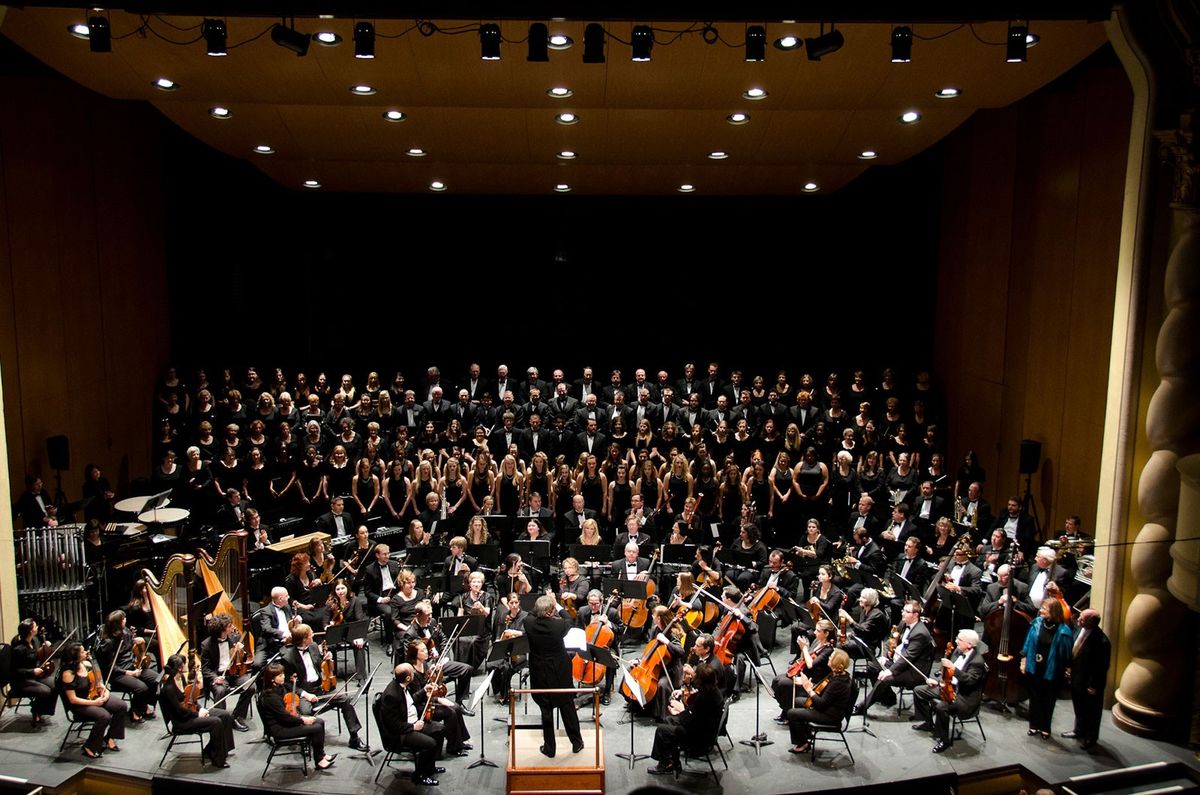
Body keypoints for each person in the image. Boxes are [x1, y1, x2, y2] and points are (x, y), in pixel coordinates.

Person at [281, 623, 369, 751]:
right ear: (304, 639)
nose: (313, 635)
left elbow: (319, 664)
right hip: (305, 692)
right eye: (310, 634)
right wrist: (305, 694)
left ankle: (354, 738)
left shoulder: (313, 646)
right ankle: (309, 744)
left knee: (345, 700)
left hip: (321, 688)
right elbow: (288, 684)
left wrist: (326, 658)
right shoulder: (288, 658)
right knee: (305, 712)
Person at [524, 594, 585, 758]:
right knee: (567, 706)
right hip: (559, 671)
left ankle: (549, 748)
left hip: (539, 671)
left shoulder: (528, 623)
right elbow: (569, 618)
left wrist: (544, 603)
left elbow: (531, 613)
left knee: (546, 710)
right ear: (550, 612)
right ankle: (576, 742)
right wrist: (556, 603)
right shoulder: (559, 625)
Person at [912, 629, 989, 753]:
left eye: (960, 640)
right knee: (919, 691)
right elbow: (948, 674)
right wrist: (939, 682)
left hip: (965, 697)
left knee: (942, 707)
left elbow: (969, 681)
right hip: (949, 688)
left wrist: (953, 669)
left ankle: (944, 740)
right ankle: (928, 722)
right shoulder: (958, 651)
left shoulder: (977, 662)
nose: (956, 641)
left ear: (969, 644)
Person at [646, 663, 725, 775]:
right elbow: (696, 714)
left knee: (661, 730)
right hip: (704, 729)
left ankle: (665, 765)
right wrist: (681, 712)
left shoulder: (705, 698)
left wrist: (681, 711)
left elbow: (692, 722)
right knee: (669, 720)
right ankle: (672, 760)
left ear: (701, 681)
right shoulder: (713, 691)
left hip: (700, 739)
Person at [159, 653, 236, 767]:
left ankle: (212, 750)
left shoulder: (181, 679)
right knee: (216, 722)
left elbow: (190, 699)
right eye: (185, 664)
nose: (187, 665)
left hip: (190, 712)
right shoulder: (169, 688)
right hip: (182, 721)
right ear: (180, 668)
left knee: (225, 715)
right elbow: (179, 711)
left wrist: (200, 708)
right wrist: (198, 714)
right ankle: (217, 759)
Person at [858, 599, 934, 713]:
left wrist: (890, 671)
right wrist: (885, 656)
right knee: (872, 666)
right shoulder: (904, 623)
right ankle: (888, 697)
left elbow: (908, 657)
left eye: (907, 612)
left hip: (912, 671)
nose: (903, 613)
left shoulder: (920, 633)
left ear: (915, 615)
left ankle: (862, 707)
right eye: (903, 610)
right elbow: (890, 639)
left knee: (884, 678)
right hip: (899, 661)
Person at [258, 662, 337, 771]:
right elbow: (284, 718)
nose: (283, 676)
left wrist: (296, 683)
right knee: (317, 728)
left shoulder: (281, 687)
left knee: (320, 721)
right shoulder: (270, 697)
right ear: (272, 679)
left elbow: (290, 689)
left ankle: (321, 754)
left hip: (286, 722)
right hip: (280, 729)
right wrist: (303, 720)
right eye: (280, 675)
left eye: (283, 674)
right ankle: (319, 761)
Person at [379, 663, 445, 787]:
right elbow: (393, 725)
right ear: (408, 678)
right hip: (401, 733)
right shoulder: (391, 695)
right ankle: (419, 776)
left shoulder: (402, 685)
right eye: (412, 672)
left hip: (412, 722)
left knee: (439, 729)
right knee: (430, 743)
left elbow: (410, 701)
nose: (414, 674)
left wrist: (424, 690)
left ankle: (429, 768)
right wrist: (413, 727)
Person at [58, 641, 127, 759]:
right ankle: (90, 746)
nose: (86, 652)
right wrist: (94, 703)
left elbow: (98, 683)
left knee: (121, 706)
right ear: (75, 656)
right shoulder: (68, 674)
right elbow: (73, 699)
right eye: (82, 652)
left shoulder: (86, 664)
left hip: (93, 696)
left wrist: (106, 693)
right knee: (104, 716)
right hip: (80, 704)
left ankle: (110, 737)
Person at [406, 638, 472, 756]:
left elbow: (433, 684)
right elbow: (414, 698)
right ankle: (453, 747)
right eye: (423, 650)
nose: (427, 652)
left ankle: (460, 741)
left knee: (456, 707)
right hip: (421, 707)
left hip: (429, 700)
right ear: (415, 654)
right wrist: (438, 699)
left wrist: (436, 673)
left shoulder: (424, 665)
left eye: (425, 649)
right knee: (450, 713)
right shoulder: (412, 673)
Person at [1020, 598, 1074, 739]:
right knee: (1034, 699)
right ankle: (1033, 726)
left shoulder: (1064, 631)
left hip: (1052, 671)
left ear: (1054, 612)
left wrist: (1066, 669)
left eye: (1045, 609)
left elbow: (1066, 654)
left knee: (1048, 701)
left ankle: (1045, 728)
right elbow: (1027, 643)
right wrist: (1024, 660)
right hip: (1034, 667)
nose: (1041, 610)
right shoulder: (1036, 623)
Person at [785, 648, 854, 756]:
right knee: (797, 701)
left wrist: (808, 689)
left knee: (792, 713)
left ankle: (803, 744)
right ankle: (806, 735)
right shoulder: (838, 674)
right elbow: (825, 692)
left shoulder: (838, 682)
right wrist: (810, 686)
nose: (829, 657)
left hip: (830, 715)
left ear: (836, 663)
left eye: (831, 657)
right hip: (828, 707)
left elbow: (821, 704)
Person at [95, 610, 159, 722]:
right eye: (123, 618)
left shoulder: (126, 631)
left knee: (156, 679)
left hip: (132, 665)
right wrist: (129, 673)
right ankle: (135, 711)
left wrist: (138, 640)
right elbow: (110, 667)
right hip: (118, 673)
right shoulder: (108, 642)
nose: (125, 619)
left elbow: (129, 645)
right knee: (141, 688)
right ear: (118, 623)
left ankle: (143, 705)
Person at [1063, 608, 1111, 750]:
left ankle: (1090, 738)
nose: (1078, 619)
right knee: (1079, 706)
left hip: (1090, 683)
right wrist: (1069, 668)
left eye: (1082, 618)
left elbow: (1102, 667)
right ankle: (1078, 730)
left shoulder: (1102, 641)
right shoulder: (1079, 629)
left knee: (1092, 711)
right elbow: (1074, 651)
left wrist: (1094, 685)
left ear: (1091, 622)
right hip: (1077, 678)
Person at [199, 614, 253, 731]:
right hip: (218, 676)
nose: (233, 627)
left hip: (234, 673)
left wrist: (242, 652)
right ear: (222, 630)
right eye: (229, 626)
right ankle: (222, 722)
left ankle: (235, 717)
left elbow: (244, 659)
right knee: (220, 690)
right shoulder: (206, 645)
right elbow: (205, 669)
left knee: (251, 686)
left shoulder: (234, 638)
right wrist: (215, 678)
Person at [8, 618, 57, 725]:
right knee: (46, 691)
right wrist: (32, 671)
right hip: (21, 681)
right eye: (35, 626)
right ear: (31, 630)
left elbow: (40, 654)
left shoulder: (35, 641)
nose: (37, 627)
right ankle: (35, 710)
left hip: (34, 677)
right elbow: (15, 671)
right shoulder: (19, 649)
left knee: (55, 684)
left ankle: (41, 710)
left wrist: (47, 646)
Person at [252, 586, 297, 668]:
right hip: (269, 644)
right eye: (286, 596)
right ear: (280, 599)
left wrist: (296, 621)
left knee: (293, 660)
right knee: (257, 664)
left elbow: (290, 623)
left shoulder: (287, 607)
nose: (288, 597)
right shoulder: (266, 611)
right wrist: (283, 634)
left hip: (287, 642)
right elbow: (267, 629)